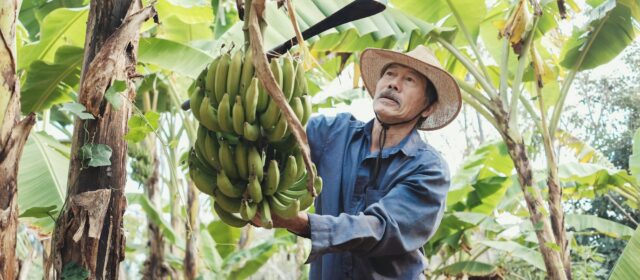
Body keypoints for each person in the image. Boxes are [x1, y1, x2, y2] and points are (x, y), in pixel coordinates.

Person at [252, 45, 461, 279]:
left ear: (428, 108)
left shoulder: (428, 169)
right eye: (389, 74)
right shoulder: (334, 133)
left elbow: (381, 228)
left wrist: (303, 223)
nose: (393, 84)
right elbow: (281, 130)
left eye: (410, 80)